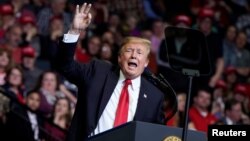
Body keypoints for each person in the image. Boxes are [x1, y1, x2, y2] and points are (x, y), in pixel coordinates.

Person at [54, 3, 165, 141]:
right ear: (119, 58)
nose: (134, 56)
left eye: (139, 52)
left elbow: (156, 136)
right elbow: (65, 66)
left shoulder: (155, 97)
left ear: (146, 62)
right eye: (129, 51)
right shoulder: (98, 71)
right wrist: (74, 30)